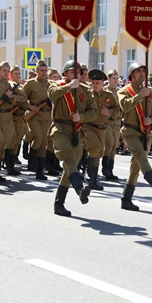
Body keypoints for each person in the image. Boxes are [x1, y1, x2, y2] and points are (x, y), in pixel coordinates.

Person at [48, 60, 97, 217]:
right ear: (65, 74)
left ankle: (59, 203)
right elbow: (52, 94)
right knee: (69, 159)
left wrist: (81, 116)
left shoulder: (85, 90)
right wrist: (70, 86)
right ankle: (80, 188)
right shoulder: (57, 85)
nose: (75, 75)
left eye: (78, 72)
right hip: (60, 130)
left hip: (77, 131)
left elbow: (93, 111)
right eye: (71, 72)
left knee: (71, 167)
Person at [117, 62, 152, 211]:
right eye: (138, 71)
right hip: (130, 132)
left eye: (143, 71)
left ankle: (126, 199)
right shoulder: (124, 91)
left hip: (146, 133)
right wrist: (140, 96)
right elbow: (125, 106)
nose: (142, 74)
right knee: (141, 156)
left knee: (136, 167)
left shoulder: (151, 92)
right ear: (132, 75)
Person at [0, 61, 28, 181]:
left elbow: (24, 98)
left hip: (8, 117)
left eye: (8, 71)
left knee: (4, 143)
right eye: (4, 70)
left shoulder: (12, 85)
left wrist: (12, 97)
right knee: (0, 139)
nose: (6, 73)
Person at [82, 69, 119, 190]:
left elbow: (117, 109)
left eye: (98, 83)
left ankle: (93, 180)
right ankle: (89, 172)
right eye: (93, 83)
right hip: (88, 126)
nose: (95, 85)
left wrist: (109, 112)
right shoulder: (87, 95)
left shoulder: (108, 95)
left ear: (103, 83)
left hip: (102, 128)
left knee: (100, 152)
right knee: (96, 147)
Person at [23, 59, 53, 180]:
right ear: (36, 71)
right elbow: (22, 98)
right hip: (34, 116)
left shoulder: (50, 84)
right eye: (41, 70)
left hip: (46, 117)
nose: (44, 73)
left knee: (44, 142)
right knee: (39, 137)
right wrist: (30, 107)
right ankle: (32, 160)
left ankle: (39, 170)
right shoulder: (30, 84)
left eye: (45, 71)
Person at [102, 69, 122, 180]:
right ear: (108, 79)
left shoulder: (119, 92)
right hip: (108, 122)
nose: (115, 80)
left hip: (117, 122)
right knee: (109, 144)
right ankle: (105, 168)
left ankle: (110, 169)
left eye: (117, 78)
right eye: (113, 78)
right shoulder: (105, 91)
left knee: (114, 146)